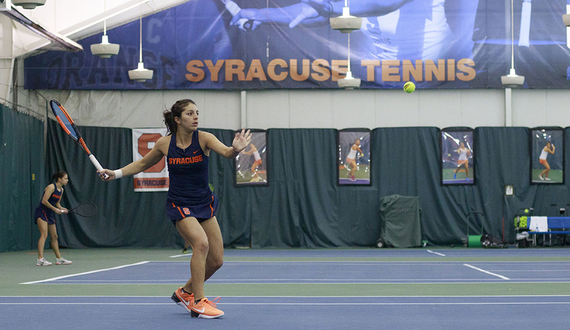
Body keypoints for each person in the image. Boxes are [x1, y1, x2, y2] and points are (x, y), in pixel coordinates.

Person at [98, 99, 251, 319]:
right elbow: (142, 164)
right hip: (180, 204)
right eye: (190, 114)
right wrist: (115, 173)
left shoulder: (205, 138)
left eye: (197, 112)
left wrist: (235, 150)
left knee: (217, 261)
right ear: (178, 119)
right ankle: (198, 302)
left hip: (203, 203)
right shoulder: (164, 144)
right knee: (201, 244)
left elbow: (227, 153)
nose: (196, 117)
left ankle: (185, 292)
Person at [34, 171, 72, 266]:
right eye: (65, 178)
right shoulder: (51, 187)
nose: (67, 180)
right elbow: (44, 201)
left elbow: (57, 203)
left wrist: (62, 208)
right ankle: (40, 259)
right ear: (59, 179)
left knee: (54, 236)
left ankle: (59, 259)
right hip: (41, 212)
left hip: (49, 213)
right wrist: (55, 209)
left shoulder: (61, 190)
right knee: (44, 234)